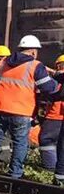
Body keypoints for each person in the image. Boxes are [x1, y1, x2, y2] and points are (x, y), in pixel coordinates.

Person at [0, 35, 62, 179]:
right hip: (21, 111)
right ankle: (15, 174)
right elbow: (48, 87)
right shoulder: (34, 65)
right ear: (33, 51)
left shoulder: (4, 62)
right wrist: (58, 85)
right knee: (20, 143)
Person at [38, 54, 64, 184]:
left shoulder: (59, 78)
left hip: (56, 115)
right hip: (56, 114)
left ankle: (50, 167)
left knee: (46, 139)